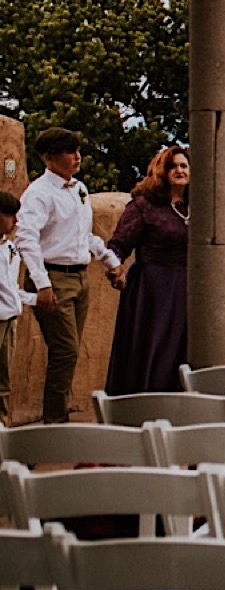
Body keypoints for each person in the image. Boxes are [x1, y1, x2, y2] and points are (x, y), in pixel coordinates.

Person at [15, 127, 120, 423]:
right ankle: (54, 420)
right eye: (68, 152)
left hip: (79, 276)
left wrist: (109, 261)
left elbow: (81, 235)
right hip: (53, 276)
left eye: (77, 151)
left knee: (68, 351)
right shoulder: (39, 193)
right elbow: (26, 238)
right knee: (65, 350)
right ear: (49, 158)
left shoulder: (78, 189)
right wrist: (42, 284)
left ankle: (57, 416)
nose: (76, 157)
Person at [102, 145, 192, 395]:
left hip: (190, 286)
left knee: (185, 345)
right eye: (173, 166)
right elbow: (119, 243)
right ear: (161, 171)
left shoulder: (199, 206)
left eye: (184, 166)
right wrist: (114, 267)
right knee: (156, 344)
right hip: (154, 286)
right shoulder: (144, 205)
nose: (180, 170)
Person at [0, 192, 27, 425]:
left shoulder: (10, 248)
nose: (14, 221)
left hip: (9, 319)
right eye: (9, 215)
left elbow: (11, 287)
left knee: (4, 379)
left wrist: (35, 299)